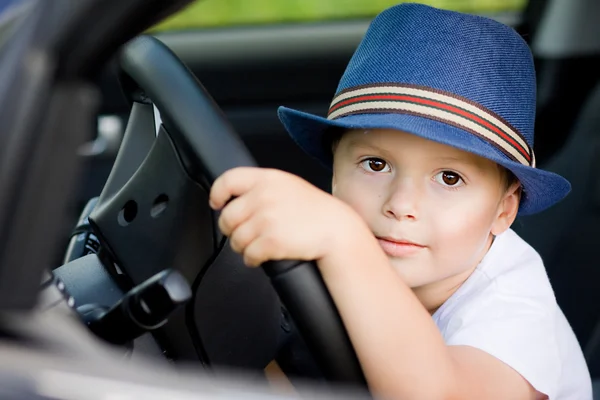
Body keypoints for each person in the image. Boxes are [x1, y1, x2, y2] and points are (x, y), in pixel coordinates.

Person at [209, 3, 592, 399]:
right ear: (335, 172)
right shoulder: (346, 254)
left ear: (504, 211)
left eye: (449, 177)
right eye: (375, 164)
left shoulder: (515, 310)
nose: (401, 204)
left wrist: (348, 244)